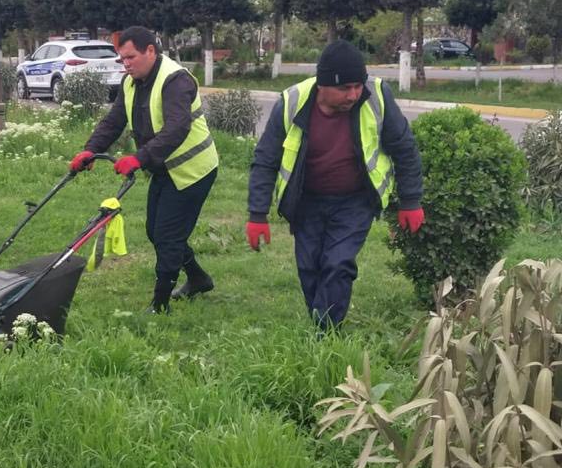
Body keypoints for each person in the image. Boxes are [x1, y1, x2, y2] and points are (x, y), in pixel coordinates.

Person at [246, 39, 424, 328]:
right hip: (306, 201)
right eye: (344, 88)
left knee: (338, 263)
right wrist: (257, 214)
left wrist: (411, 201)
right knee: (309, 267)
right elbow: (265, 159)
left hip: (356, 200)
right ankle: (322, 324)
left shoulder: (377, 96)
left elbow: (404, 148)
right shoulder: (291, 102)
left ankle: (325, 334)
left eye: (357, 86)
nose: (353, 95)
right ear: (322, 85)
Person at [68, 25, 219, 313]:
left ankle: (160, 304)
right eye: (122, 59)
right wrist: (90, 149)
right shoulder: (131, 82)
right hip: (165, 168)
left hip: (193, 169)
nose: (125, 64)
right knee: (154, 230)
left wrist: (139, 158)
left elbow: (177, 128)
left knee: (168, 236)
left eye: (130, 57)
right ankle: (199, 279)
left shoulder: (175, 80)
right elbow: (114, 121)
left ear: (150, 51)